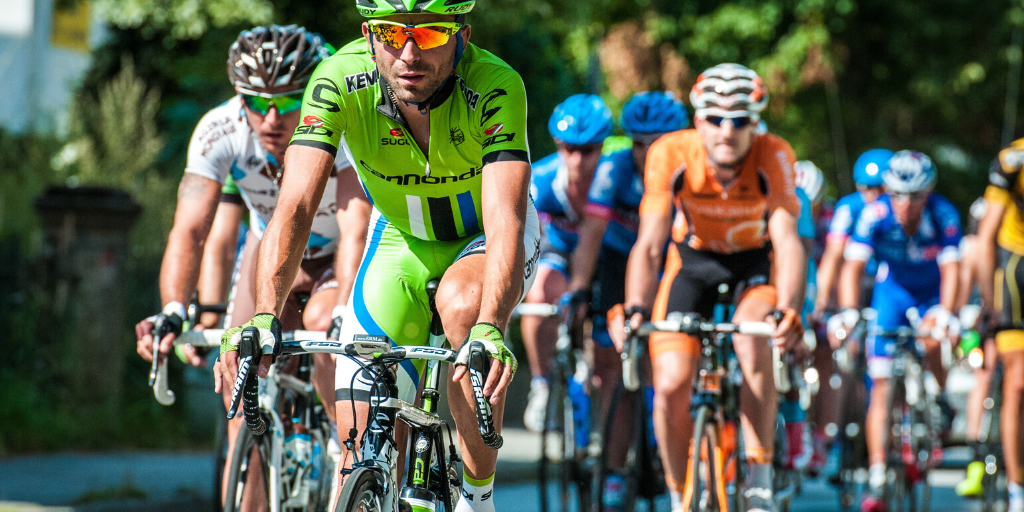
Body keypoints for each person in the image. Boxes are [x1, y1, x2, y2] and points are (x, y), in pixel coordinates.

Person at [217, 2, 541, 511]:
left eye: (429, 35)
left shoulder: (497, 84)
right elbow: (296, 205)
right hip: (401, 240)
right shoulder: (338, 79)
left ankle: (478, 498)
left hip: (482, 236)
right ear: (370, 37)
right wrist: (263, 314)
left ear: (462, 38)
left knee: (462, 307)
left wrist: (491, 327)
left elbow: (504, 219)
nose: (409, 54)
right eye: (392, 34)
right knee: (357, 441)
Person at [134, 25, 370, 509]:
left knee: (325, 326)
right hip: (274, 251)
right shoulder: (219, 130)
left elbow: (356, 231)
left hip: (339, 253)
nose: (271, 119)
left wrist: (344, 310)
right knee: (237, 374)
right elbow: (191, 231)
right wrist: (176, 308)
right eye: (256, 102)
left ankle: (346, 449)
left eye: (288, 103)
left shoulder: (342, 122)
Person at [623, 63, 806, 512]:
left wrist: (789, 310)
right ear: (698, 120)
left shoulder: (774, 153)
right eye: (715, 118)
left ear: (755, 124)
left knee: (753, 342)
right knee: (670, 383)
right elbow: (650, 244)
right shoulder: (670, 152)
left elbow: (787, 242)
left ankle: (759, 479)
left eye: (740, 120)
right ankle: (678, 495)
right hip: (691, 264)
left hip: (752, 266)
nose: (727, 130)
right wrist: (635, 308)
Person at [835, 150, 961, 512]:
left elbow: (954, 269)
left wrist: (947, 313)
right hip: (891, 294)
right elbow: (851, 267)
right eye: (897, 195)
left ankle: (938, 395)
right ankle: (877, 473)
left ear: (928, 192)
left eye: (915, 196)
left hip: (931, 293)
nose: (905, 204)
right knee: (881, 385)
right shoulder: (874, 214)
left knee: (932, 339)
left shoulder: (943, 213)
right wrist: (848, 312)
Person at [520, 94, 614, 432]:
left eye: (588, 150)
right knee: (539, 295)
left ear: (602, 147)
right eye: (568, 148)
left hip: (603, 256)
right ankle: (541, 384)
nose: (577, 159)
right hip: (558, 252)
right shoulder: (541, 179)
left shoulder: (612, 177)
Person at [978, 139, 1024, 512]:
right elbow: (985, 237)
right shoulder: (1013, 158)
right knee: (1019, 382)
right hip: (1016, 268)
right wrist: (988, 305)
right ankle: (1016, 488)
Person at [815, 148, 892, 317]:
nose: (873, 194)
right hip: (857, 279)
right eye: (866, 187)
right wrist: (821, 297)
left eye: (880, 189)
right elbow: (833, 254)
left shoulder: (902, 209)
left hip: (891, 279)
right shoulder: (848, 207)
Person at [955, 197, 997, 498]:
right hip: (985, 320)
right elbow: (962, 292)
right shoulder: (971, 247)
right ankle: (975, 454)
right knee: (983, 375)